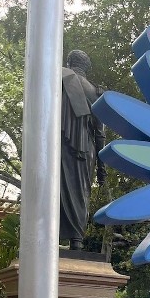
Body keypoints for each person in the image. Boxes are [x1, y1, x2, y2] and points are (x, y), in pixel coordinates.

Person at [60, 50, 106, 250]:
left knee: (57, 187)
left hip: (61, 143)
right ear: (87, 67)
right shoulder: (96, 92)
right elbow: (100, 134)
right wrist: (102, 171)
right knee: (81, 191)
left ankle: (51, 236)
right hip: (87, 149)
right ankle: (76, 241)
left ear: (69, 62)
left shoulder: (58, 77)